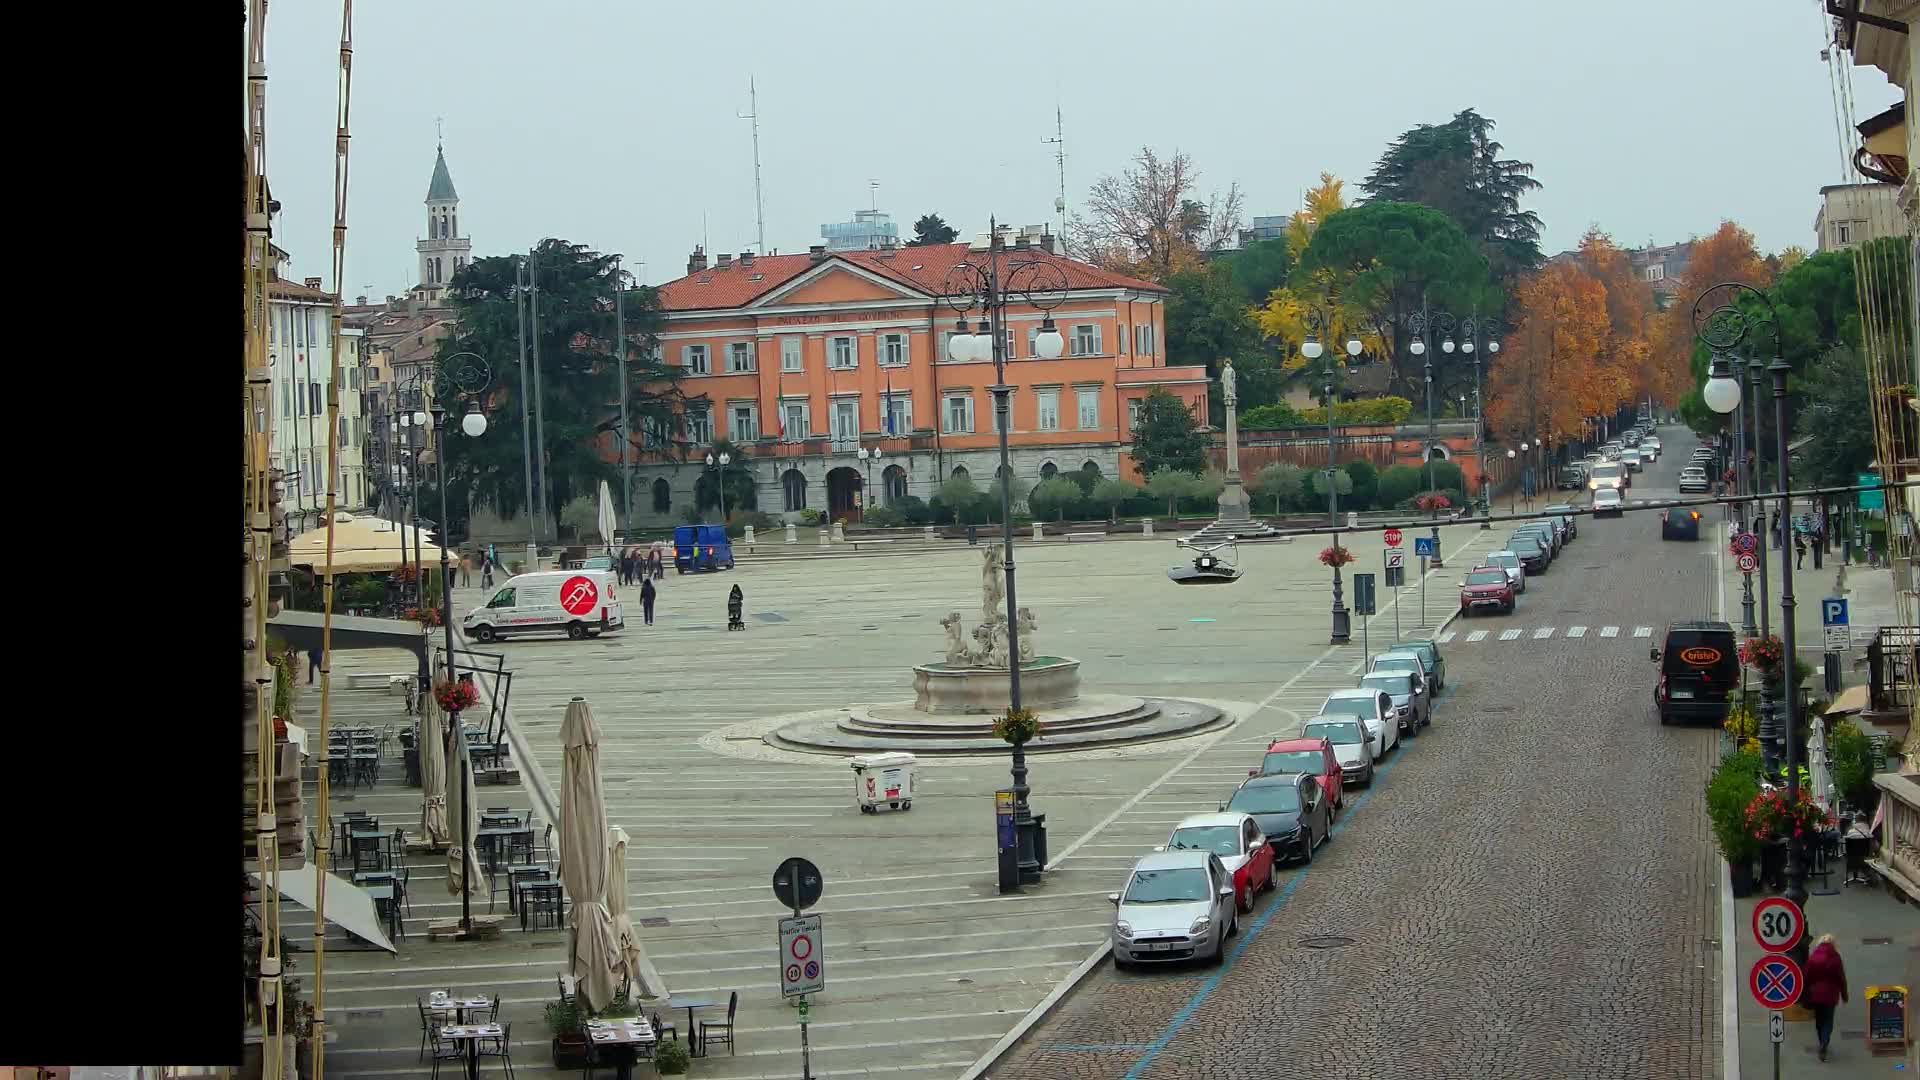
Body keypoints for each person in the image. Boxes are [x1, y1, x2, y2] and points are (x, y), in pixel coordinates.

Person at [1804, 933, 1849, 1060]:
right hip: (1831, 995)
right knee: (1828, 1020)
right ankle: (1825, 1042)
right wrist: (1844, 995)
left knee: (1819, 1020)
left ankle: (1821, 1042)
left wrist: (1804, 992)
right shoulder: (1836, 958)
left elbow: (1806, 977)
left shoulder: (1813, 957)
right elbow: (1841, 978)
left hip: (1816, 994)